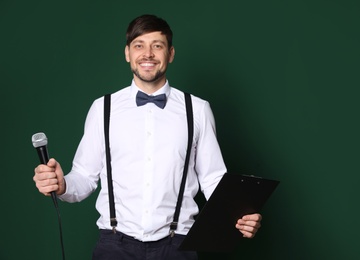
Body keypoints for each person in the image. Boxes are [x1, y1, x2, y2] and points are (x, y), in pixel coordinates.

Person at [33, 14, 262, 260]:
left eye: (157, 46)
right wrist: (62, 184)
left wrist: (241, 215)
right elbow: (84, 177)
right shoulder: (103, 108)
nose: (148, 54)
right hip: (114, 245)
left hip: (178, 247)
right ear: (127, 53)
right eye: (139, 45)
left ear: (170, 54)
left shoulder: (197, 109)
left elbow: (213, 179)